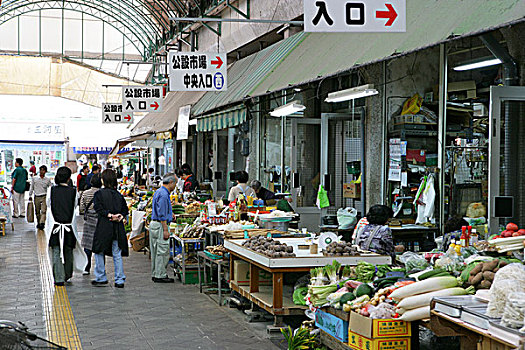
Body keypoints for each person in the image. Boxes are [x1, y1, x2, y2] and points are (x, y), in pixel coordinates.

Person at [45, 166, 87, 286]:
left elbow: (48, 204)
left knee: (56, 251)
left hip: (55, 226)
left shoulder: (51, 190)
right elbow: (74, 207)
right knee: (68, 250)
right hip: (69, 226)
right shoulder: (73, 191)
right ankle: (67, 275)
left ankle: (58, 278)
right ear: (69, 178)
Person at [91, 169, 129, 288]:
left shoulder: (99, 194)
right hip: (117, 227)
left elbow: (98, 208)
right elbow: (125, 209)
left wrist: (109, 215)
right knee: (117, 253)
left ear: (103, 180)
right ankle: (119, 279)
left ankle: (101, 277)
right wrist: (119, 216)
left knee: (99, 251)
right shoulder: (118, 194)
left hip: (104, 226)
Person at [149, 173, 176, 283]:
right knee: (162, 251)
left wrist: (171, 213)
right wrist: (165, 229)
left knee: (155, 250)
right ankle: (160, 275)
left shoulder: (159, 191)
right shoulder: (164, 195)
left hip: (155, 224)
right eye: (175, 183)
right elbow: (162, 214)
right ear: (170, 183)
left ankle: (156, 273)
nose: (175, 186)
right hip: (160, 225)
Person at [79, 173, 102, 275]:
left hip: (88, 220)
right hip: (100, 221)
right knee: (99, 245)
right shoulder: (102, 193)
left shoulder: (85, 193)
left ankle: (86, 267)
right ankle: (100, 269)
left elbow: (81, 209)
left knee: (87, 246)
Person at [29, 165, 53, 230]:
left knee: (43, 211)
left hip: (44, 196)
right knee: (37, 211)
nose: (42, 171)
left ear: (45, 171)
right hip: (36, 196)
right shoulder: (35, 178)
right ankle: (39, 222)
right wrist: (30, 195)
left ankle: (42, 223)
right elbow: (31, 187)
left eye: (43, 170)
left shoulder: (47, 180)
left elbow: (51, 187)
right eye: (41, 170)